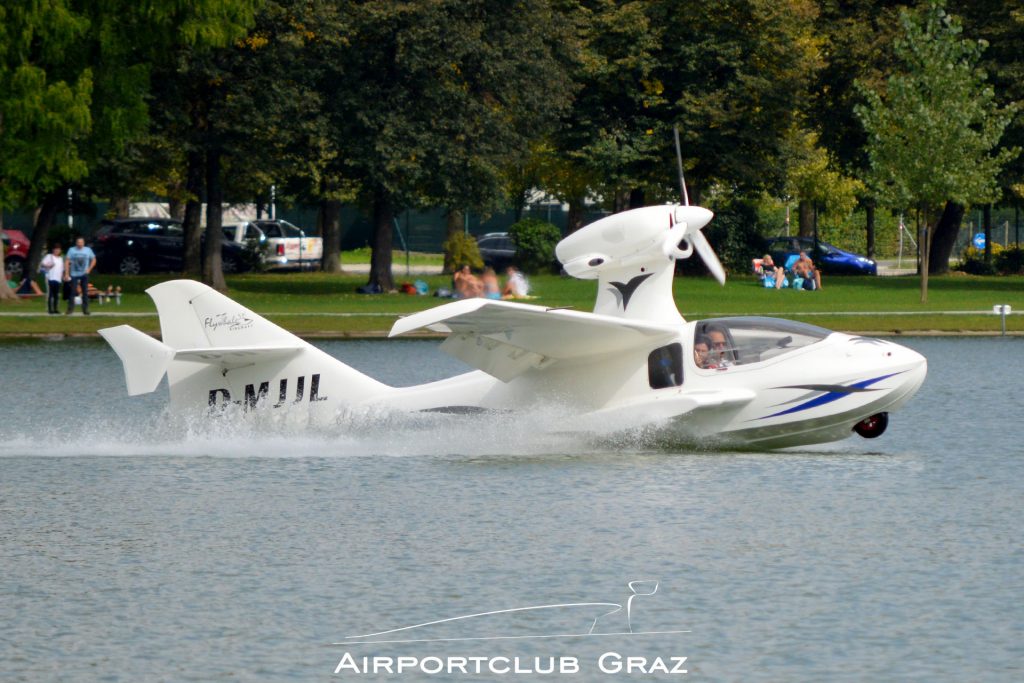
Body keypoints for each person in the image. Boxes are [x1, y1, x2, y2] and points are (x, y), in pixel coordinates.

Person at [65, 236, 96, 315]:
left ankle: (85, 309)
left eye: (81, 242)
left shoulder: (88, 250)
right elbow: (67, 261)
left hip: (84, 274)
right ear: (76, 243)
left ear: (83, 243)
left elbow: (94, 259)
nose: (80, 244)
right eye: (78, 242)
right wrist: (66, 273)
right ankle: (70, 309)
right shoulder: (71, 250)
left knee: (85, 291)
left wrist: (89, 269)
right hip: (74, 273)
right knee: (72, 291)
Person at [40, 244, 64, 314]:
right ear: (53, 250)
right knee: (50, 294)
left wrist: (62, 277)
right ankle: (49, 309)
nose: (57, 250)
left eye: (58, 249)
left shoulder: (60, 259)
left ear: (60, 251)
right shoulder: (49, 256)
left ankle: (56, 308)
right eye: (55, 249)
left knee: (56, 295)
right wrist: (48, 265)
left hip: (58, 279)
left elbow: (61, 269)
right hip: (50, 277)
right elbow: (42, 264)